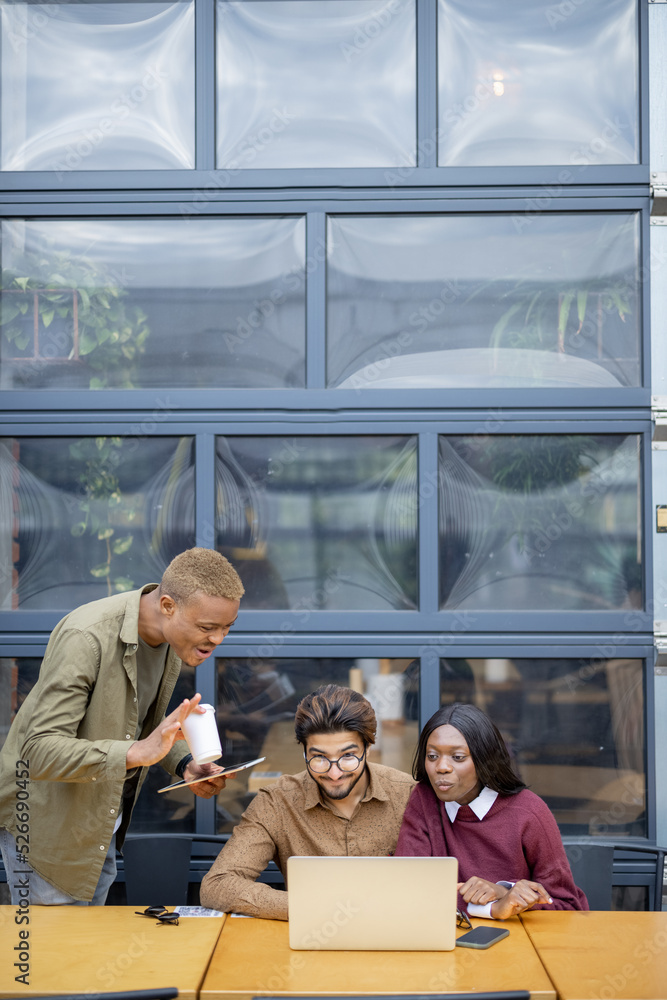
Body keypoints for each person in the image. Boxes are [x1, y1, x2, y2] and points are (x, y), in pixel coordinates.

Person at [0, 546, 244, 906]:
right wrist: (137, 752)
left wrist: (184, 764)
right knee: (54, 956)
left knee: (90, 949)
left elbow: (136, 726)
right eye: (208, 627)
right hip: (47, 827)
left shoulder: (166, 639)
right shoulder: (86, 637)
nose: (219, 639)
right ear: (167, 606)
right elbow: (39, 751)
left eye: (227, 627)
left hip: (99, 821)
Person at [200, 683, 415, 919]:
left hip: (395, 934)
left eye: (348, 756)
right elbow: (217, 886)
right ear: (304, 752)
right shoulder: (277, 802)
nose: (334, 773)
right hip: (311, 938)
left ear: (368, 749)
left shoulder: (408, 795)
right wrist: (310, 907)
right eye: (319, 758)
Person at [394, 702, 588, 917]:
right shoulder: (424, 799)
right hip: (449, 941)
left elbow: (567, 906)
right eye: (432, 756)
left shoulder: (529, 812)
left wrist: (506, 891)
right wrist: (494, 907)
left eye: (458, 757)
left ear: (484, 759)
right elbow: (408, 890)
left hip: (518, 944)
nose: (441, 767)